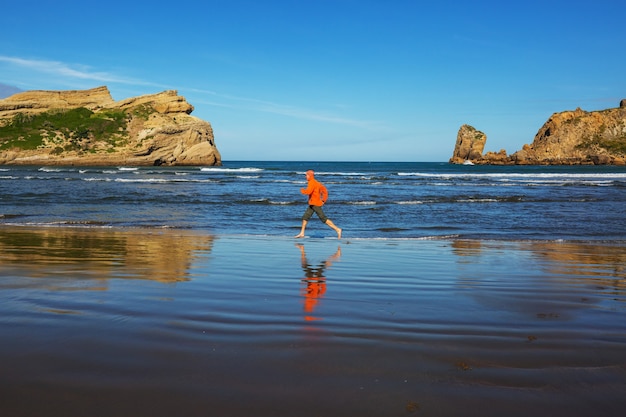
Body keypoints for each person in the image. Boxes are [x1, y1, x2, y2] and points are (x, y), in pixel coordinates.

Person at [295, 170, 342, 239]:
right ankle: (302, 233)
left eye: (306, 175)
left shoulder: (312, 182)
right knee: (305, 217)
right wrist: (323, 200)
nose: (305, 177)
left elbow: (309, 191)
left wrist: (302, 190)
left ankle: (338, 229)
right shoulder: (317, 182)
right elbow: (324, 191)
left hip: (315, 204)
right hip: (312, 204)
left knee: (323, 219)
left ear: (310, 176)